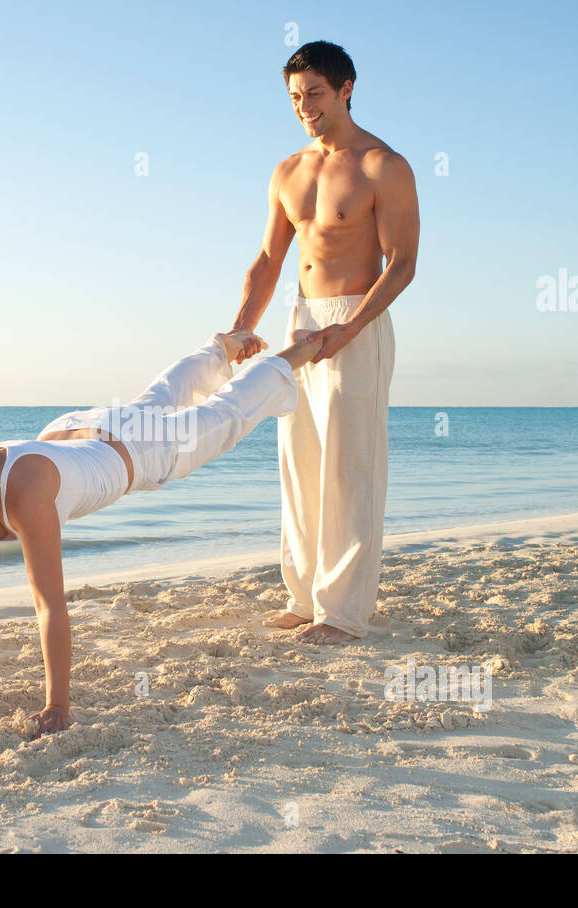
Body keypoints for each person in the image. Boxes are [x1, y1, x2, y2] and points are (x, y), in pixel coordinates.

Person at [0, 329, 324, 736]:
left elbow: (49, 604)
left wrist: (57, 704)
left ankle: (295, 352)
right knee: (153, 399)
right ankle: (220, 348)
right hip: (74, 430)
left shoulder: (26, 492)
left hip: (136, 451)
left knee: (222, 416)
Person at [228, 40, 420, 644]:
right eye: (293, 96)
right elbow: (267, 258)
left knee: (349, 468)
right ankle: (305, 595)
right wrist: (242, 324)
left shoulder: (382, 165)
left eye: (313, 93)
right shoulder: (288, 170)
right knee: (299, 462)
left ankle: (343, 612)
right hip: (301, 322)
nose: (303, 105)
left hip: (355, 322)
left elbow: (403, 262)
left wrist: (352, 326)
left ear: (345, 88)